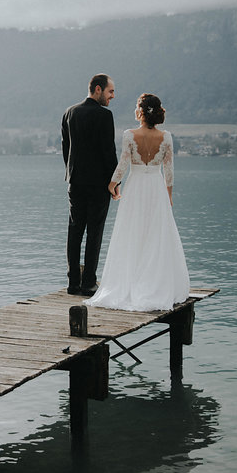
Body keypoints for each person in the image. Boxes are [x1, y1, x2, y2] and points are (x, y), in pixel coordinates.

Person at [84, 93, 190, 311]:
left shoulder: (129, 135)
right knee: (156, 234)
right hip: (156, 187)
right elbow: (169, 171)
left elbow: (123, 164)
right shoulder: (166, 137)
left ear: (140, 112)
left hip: (135, 187)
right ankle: (155, 282)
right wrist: (169, 194)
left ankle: (130, 280)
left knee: (132, 232)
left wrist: (112, 184)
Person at [62, 74, 118, 295]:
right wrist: (115, 181)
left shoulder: (70, 112)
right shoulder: (104, 115)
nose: (112, 96)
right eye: (110, 91)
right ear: (97, 89)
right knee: (95, 232)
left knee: (74, 231)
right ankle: (88, 283)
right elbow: (108, 151)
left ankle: (73, 282)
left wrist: (71, 173)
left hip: (75, 181)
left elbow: (66, 149)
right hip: (98, 184)